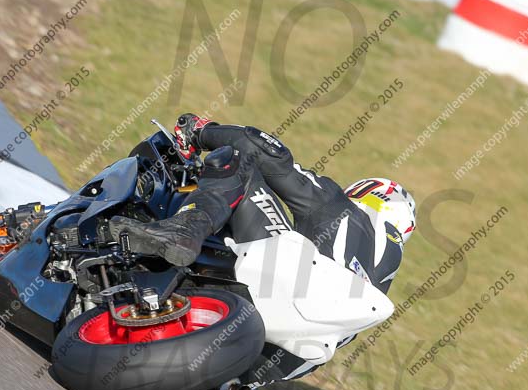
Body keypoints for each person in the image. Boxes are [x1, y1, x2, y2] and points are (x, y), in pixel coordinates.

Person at [107, 113, 416, 295]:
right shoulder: (379, 286)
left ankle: (186, 228)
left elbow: (272, 156)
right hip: (272, 360)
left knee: (243, 163)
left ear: (370, 195)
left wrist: (202, 132)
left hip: (283, 284)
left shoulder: (344, 209)